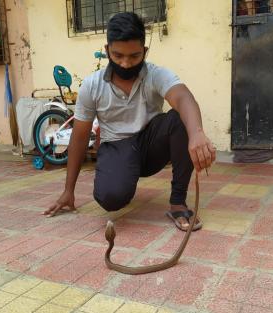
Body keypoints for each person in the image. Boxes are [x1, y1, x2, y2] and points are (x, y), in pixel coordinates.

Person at [43, 12, 216, 231]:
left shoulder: (155, 74)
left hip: (150, 145)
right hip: (116, 147)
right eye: (118, 56)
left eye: (134, 56)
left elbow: (183, 97)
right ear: (107, 51)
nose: (125, 64)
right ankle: (118, 176)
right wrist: (69, 190)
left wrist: (197, 133)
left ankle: (178, 203)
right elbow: (79, 138)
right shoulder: (91, 86)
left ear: (144, 51)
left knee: (180, 120)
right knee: (110, 198)